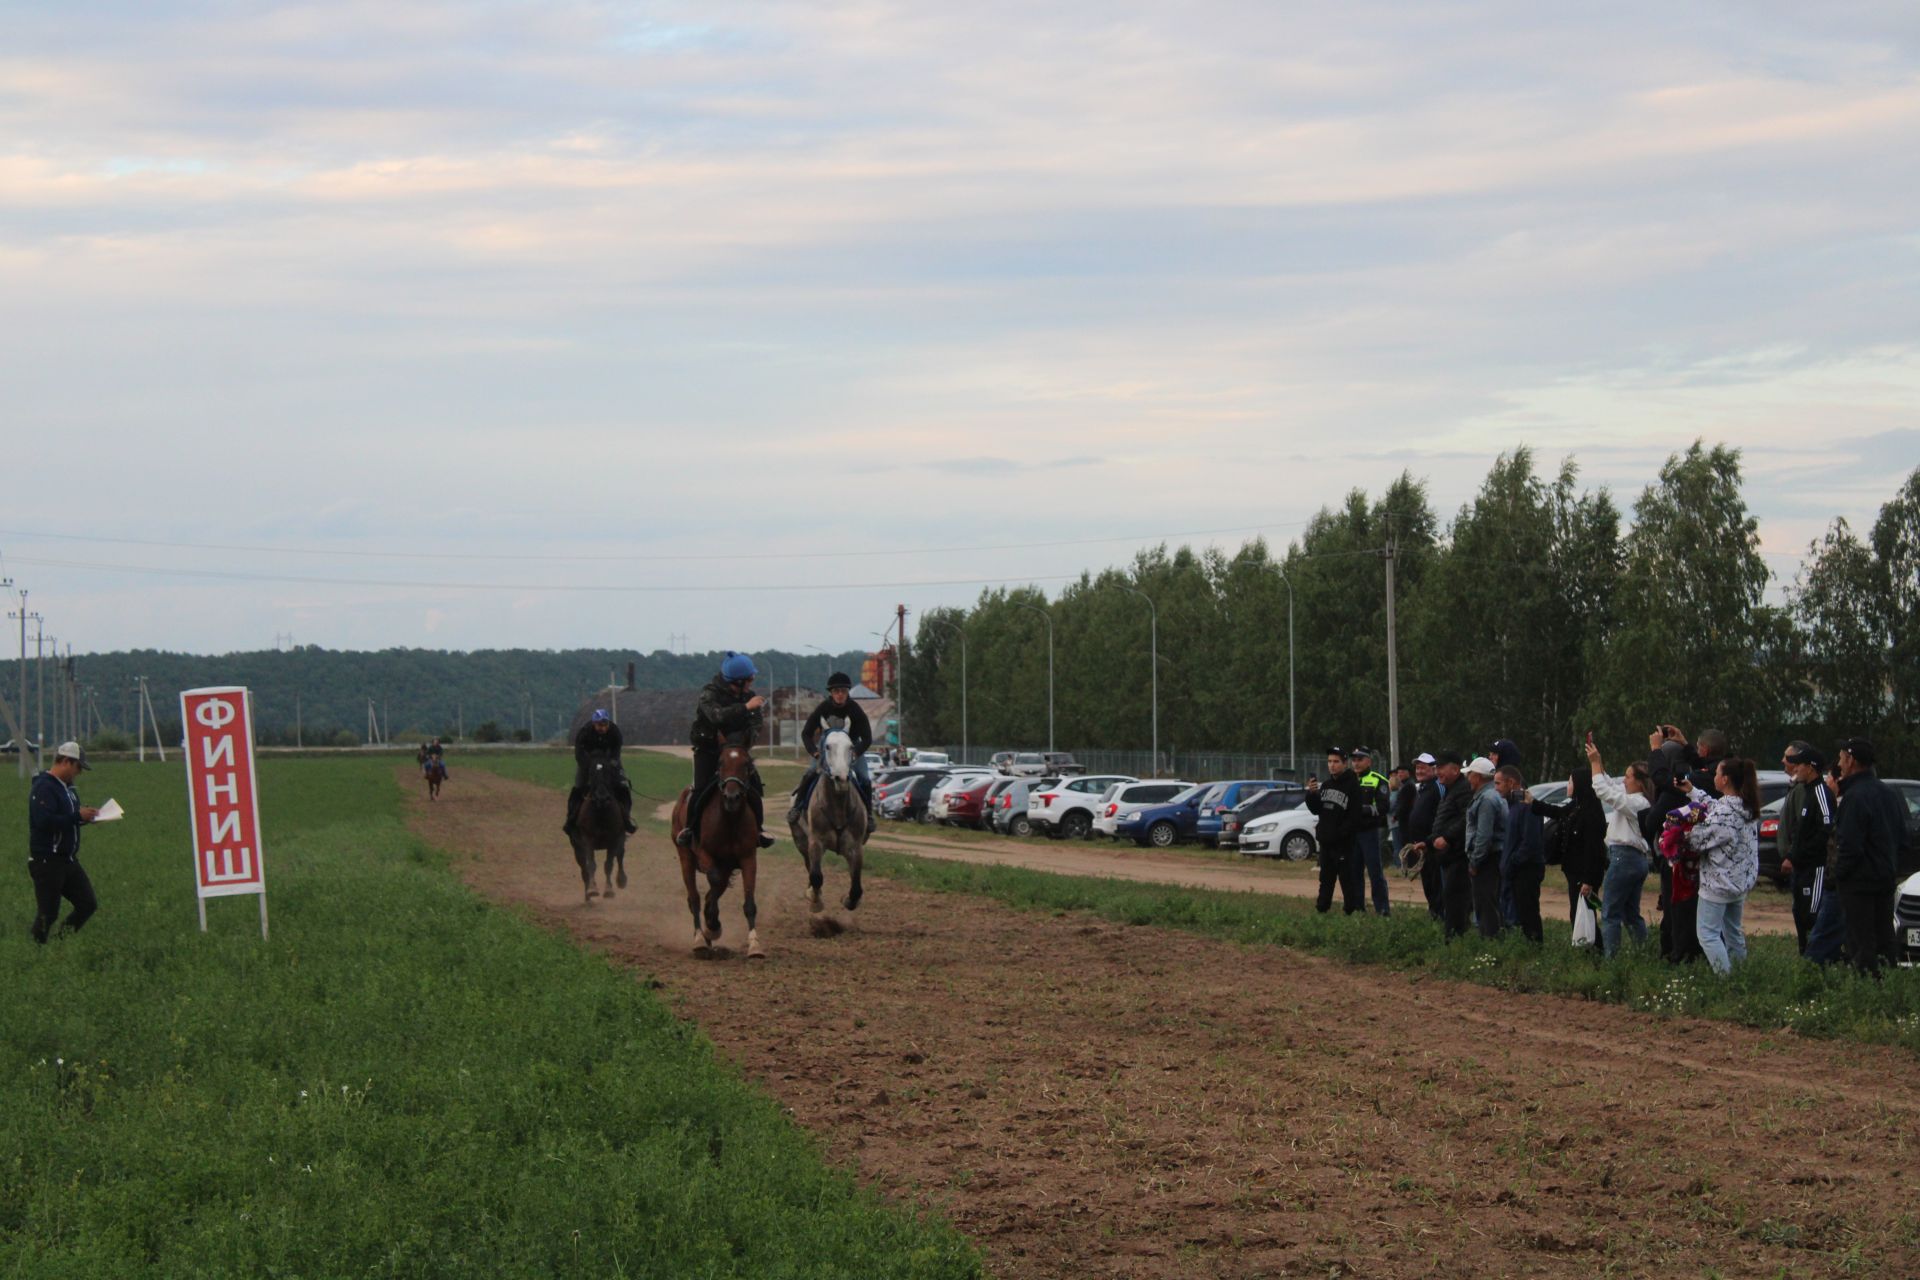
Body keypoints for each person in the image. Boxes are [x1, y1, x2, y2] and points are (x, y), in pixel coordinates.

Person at [677, 652, 775, 851]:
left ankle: (759, 829)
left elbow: (756, 723)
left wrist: (747, 738)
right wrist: (745, 707)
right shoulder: (709, 694)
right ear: (738, 681)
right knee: (701, 788)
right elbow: (717, 717)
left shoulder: (749, 696)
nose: (752, 681)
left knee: (755, 785)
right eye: (750, 678)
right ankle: (690, 829)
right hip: (708, 750)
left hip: (737, 751)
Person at [1831, 737, 1906, 976]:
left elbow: (1849, 846)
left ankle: (1865, 993)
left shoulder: (1854, 797)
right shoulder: (1888, 793)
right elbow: (1902, 839)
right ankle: (1888, 990)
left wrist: (1838, 876)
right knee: (1885, 939)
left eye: (1842, 758)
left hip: (1859, 884)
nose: (1839, 764)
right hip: (1884, 879)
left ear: (1851, 760)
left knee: (1860, 941)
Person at [1688, 758, 1761, 975]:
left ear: (1725, 779)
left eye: (1717, 774)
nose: (1714, 777)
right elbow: (1716, 807)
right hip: (1739, 881)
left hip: (1718, 883)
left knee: (1708, 934)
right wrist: (1693, 791)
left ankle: (1726, 980)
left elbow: (1697, 840)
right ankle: (1740, 974)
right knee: (1733, 932)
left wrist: (1675, 831)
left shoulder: (1725, 814)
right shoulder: (1744, 806)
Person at [28, 742, 100, 944]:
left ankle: (60, 943)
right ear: (66, 762)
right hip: (47, 861)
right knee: (47, 915)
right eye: (78, 767)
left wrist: (84, 818)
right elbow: (44, 821)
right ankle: (36, 952)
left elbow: (67, 819)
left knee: (87, 904)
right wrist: (76, 815)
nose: (79, 773)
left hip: (68, 860)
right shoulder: (44, 787)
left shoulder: (67, 789)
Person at [787, 672, 876, 835]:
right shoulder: (823, 708)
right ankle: (797, 807)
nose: (840, 694)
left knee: (864, 777)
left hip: (850, 748)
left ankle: (869, 814)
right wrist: (814, 752)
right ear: (831, 693)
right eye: (836, 691)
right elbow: (806, 733)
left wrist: (856, 753)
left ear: (848, 692)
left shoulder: (855, 710)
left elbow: (868, 738)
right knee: (809, 773)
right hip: (827, 748)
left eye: (843, 691)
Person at [1586, 741, 1653, 956]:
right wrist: (1598, 762)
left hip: (1624, 859)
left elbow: (1605, 792)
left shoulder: (1638, 803)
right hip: (1634, 860)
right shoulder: (1637, 800)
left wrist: (1595, 763)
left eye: (1628, 776)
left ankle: (1611, 961)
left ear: (1641, 783)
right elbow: (1611, 786)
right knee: (1630, 914)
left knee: (1610, 912)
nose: (1624, 780)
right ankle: (1644, 954)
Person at [1777, 742, 1833, 954]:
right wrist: (1792, 855)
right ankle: (1805, 956)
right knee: (1800, 913)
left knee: (1812, 915)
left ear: (1810, 767)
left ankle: (1816, 962)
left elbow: (1825, 830)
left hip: (1815, 868)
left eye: (1799, 765)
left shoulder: (1820, 792)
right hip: (1802, 868)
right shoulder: (1807, 792)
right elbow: (1801, 833)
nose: (1795, 769)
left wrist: (1802, 855)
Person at [1304, 747, 1363, 915]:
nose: (1332, 765)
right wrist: (1312, 794)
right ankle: (1322, 908)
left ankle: (1351, 910)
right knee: (1326, 878)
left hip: (1343, 843)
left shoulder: (1352, 785)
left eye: (1336, 762)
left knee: (1347, 878)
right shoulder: (1327, 784)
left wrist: (1340, 834)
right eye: (1329, 761)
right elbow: (1316, 810)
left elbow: (1354, 816)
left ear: (1344, 763)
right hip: (1326, 842)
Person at [1498, 766, 1548, 943]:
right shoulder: (1513, 805)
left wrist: (1513, 862)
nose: (1496, 787)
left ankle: (1534, 947)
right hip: (1515, 869)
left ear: (1511, 782)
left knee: (1528, 912)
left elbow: (1530, 842)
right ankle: (1523, 945)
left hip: (1526, 869)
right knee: (1516, 911)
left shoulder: (1527, 805)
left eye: (1498, 783)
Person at [565, 709, 635, 836]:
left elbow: (616, 750)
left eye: (604, 725)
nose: (602, 728)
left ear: (608, 724)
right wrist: (587, 766)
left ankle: (626, 820)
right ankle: (571, 820)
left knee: (623, 787)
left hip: (609, 760)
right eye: (599, 725)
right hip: (588, 761)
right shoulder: (585, 732)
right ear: (593, 724)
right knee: (578, 786)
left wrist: (613, 763)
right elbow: (579, 752)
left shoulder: (615, 732)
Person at [1463, 757, 1505, 938]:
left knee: (1485, 901)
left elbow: (1484, 835)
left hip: (1487, 858)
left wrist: (1475, 861)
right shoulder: (1492, 794)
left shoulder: (1486, 799)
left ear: (1478, 777)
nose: (1467, 778)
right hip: (1491, 856)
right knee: (1488, 900)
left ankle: (1490, 939)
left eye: (1470, 774)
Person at [1400, 753, 1445, 919]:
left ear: (1434, 769)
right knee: (1427, 880)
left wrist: (1431, 839)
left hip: (1433, 844)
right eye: (1417, 767)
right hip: (1420, 845)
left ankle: (1439, 912)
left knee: (1435, 880)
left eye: (1423, 768)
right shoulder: (1423, 788)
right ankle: (1433, 910)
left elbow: (1441, 815)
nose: (1419, 771)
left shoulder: (1438, 787)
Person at [1350, 746, 1392, 917]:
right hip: (1352, 834)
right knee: (1354, 872)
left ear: (1369, 761)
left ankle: (1382, 909)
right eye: (1354, 759)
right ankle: (1357, 908)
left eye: (1360, 759)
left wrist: (1361, 809)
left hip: (1369, 832)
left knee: (1375, 872)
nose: (1356, 763)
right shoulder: (1348, 780)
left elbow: (1383, 807)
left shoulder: (1378, 780)